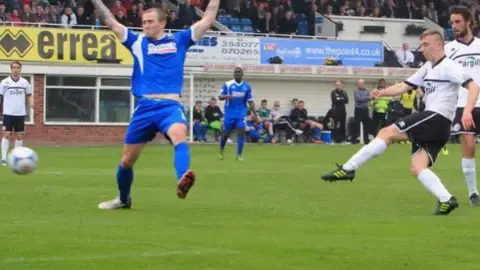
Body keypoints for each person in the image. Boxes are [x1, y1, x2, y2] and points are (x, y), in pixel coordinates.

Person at [321, 29, 479, 215]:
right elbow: (404, 86)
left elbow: (473, 86)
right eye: (421, 45)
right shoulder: (427, 67)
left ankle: (349, 168)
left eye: (426, 45)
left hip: (436, 117)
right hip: (437, 125)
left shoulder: (449, 66)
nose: (422, 49)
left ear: (438, 45)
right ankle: (446, 199)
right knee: (417, 167)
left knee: (386, 133)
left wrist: (467, 111)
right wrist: (382, 92)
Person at [94, 0, 220, 209]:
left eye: (150, 21)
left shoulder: (179, 40)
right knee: (126, 161)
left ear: (163, 23)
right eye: (143, 22)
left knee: (180, 135)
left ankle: (183, 179)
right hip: (144, 108)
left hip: (169, 106)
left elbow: (207, 18)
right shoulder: (137, 42)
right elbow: (111, 22)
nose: (146, 25)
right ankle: (123, 199)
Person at [446, 6, 480, 205]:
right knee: (468, 146)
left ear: (468, 22)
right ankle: (473, 192)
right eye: (451, 22)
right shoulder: (449, 49)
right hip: (462, 104)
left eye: (458, 22)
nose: (454, 26)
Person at [0, 61, 34, 166]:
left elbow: (29, 94)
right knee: (6, 134)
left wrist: (31, 103)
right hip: (8, 113)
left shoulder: (24, 82)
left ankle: (16, 157)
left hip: (20, 113)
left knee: (19, 136)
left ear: (20, 69)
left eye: (17, 67)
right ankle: (4, 158)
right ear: (11, 69)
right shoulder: (4, 82)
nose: (15, 69)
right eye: (14, 67)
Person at [218, 67, 256, 161]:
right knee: (226, 134)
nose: (237, 74)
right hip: (229, 114)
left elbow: (250, 101)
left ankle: (239, 155)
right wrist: (226, 97)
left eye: (239, 72)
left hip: (241, 114)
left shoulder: (246, 86)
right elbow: (220, 97)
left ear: (242, 74)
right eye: (235, 72)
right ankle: (221, 151)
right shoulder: (227, 84)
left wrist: (255, 113)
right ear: (233, 74)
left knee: (241, 131)